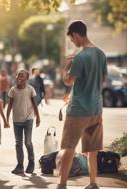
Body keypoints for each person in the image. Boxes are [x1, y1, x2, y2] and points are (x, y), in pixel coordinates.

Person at [57, 21, 107, 189]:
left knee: (68, 148)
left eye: (72, 39)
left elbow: (68, 81)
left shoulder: (80, 56)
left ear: (76, 34)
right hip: (96, 109)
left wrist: (66, 67)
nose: (73, 42)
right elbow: (103, 79)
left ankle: (62, 184)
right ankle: (93, 183)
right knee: (92, 150)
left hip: (78, 110)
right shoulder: (101, 54)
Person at [6, 69, 40, 174]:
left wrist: (38, 117)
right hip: (16, 120)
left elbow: (35, 104)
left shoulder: (30, 89)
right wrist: (6, 119)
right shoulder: (13, 90)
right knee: (18, 143)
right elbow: (9, 105)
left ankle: (31, 162)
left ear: (27, 78)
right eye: (18, 76)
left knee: (28, 142)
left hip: (28, 119)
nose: (20, 78)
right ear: (16, 77)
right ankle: (20, 165)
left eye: (23, 76)